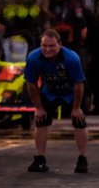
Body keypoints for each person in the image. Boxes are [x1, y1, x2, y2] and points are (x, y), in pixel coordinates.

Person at [24, 29, 88, 173]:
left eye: (52, 46)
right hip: (50, 91)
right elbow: (32, 85)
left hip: (71, 92)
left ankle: (82, 160)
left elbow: (79, 84)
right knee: (41, 120)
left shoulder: (72, 58)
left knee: (79, 121)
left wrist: (76, 108)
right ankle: (40, 160)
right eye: (44, 46)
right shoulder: (33, 57)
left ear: (59, 44)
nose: (47, 49)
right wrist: (39, 108)